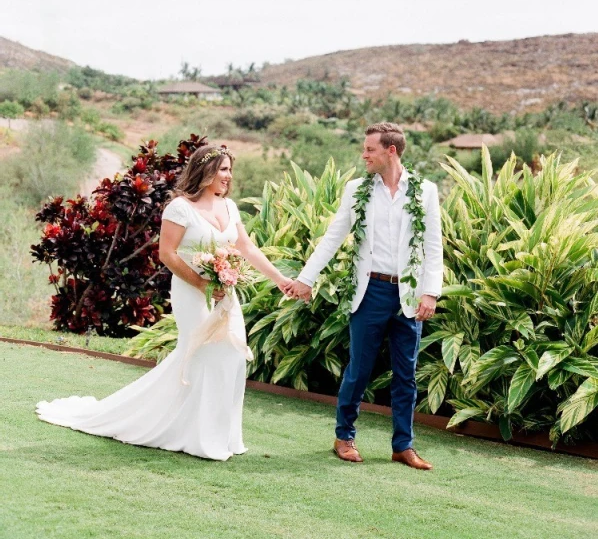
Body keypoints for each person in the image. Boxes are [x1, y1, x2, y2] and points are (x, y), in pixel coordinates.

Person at [36, 141, 292, 461]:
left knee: (232, 354)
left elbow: (248, 248)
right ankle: (190, 434)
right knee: (200, 354)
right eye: (223, 169)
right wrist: (201, 282)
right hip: (190, 290)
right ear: (207, 170)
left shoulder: (229, 207)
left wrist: (281, 280)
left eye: (230, 170)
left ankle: (219, 434)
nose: (229, 176)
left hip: (224, 293)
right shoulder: (180, 208)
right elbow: (167, 254)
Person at [286, 123, 443, 469]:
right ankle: (344, 437)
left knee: (406, 374)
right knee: (359, 369)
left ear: (391, 150)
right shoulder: (357, 190)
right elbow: (332, 237)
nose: (364, 155)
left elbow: (434, 244)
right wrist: (306, 279)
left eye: (370, 149)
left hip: (408, 294)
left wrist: (430, 293)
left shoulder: (424, 191)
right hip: (369, 290)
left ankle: (403, 446)